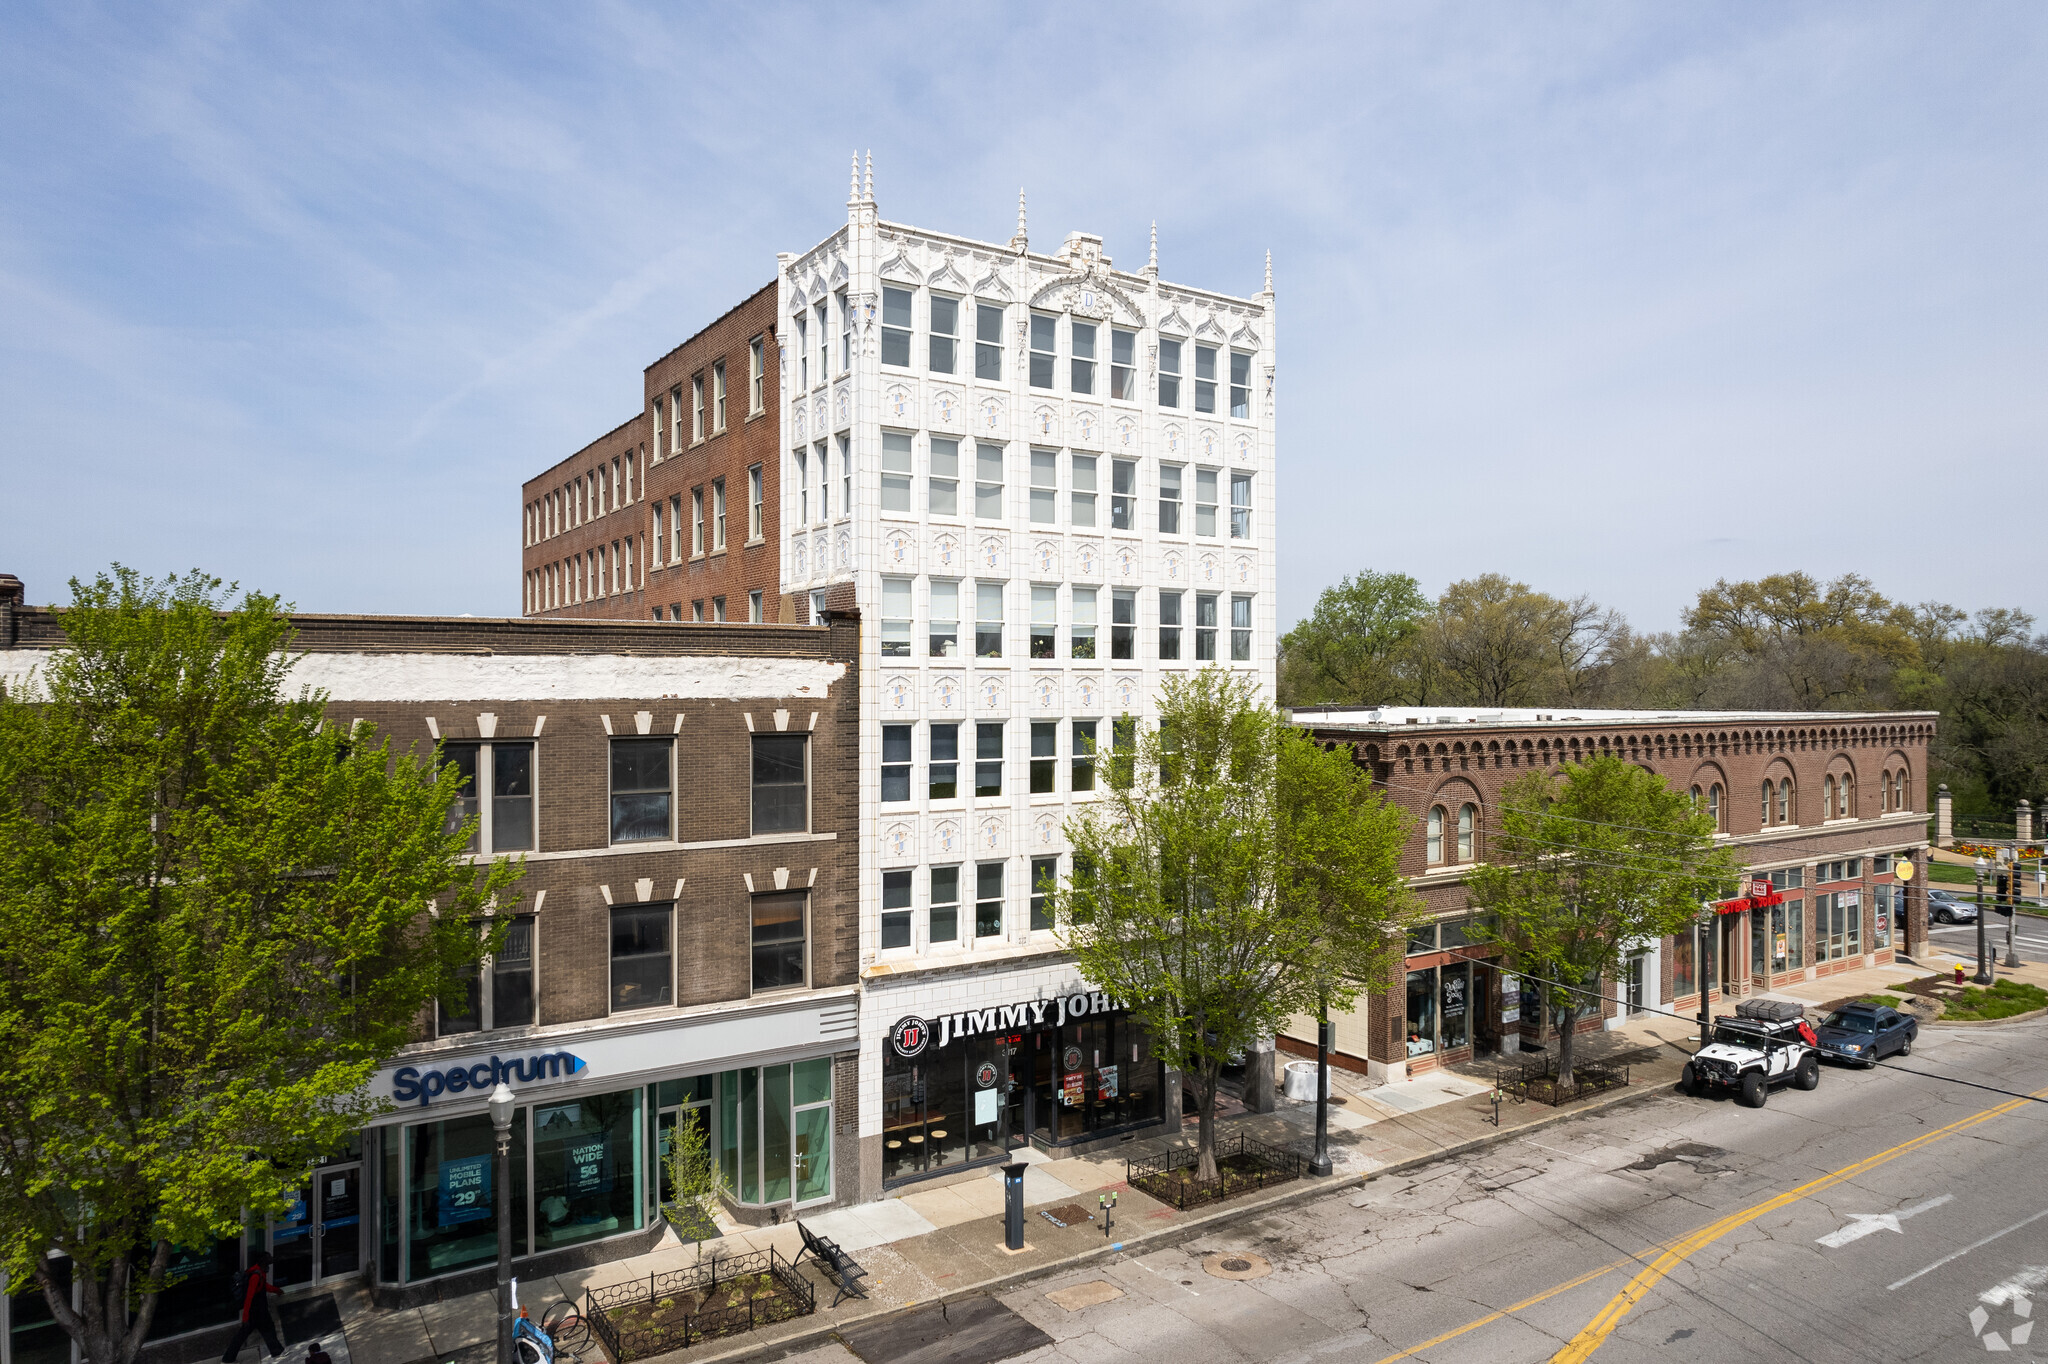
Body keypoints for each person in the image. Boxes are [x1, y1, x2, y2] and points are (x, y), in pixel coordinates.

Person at [221, 1249, 285, 1362]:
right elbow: (249, 1298)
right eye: (269, 1257)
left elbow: (264, 1286)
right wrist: (245, 1318)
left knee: (251, 1333)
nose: (271, 1258)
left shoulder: (260, 1272)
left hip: (258, 1311)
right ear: (263, 1260)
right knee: (266, 1330)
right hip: (256, 1311)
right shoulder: (256, 1276)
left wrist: (277, 1290)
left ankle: (228, 1358)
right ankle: (276, 1351)